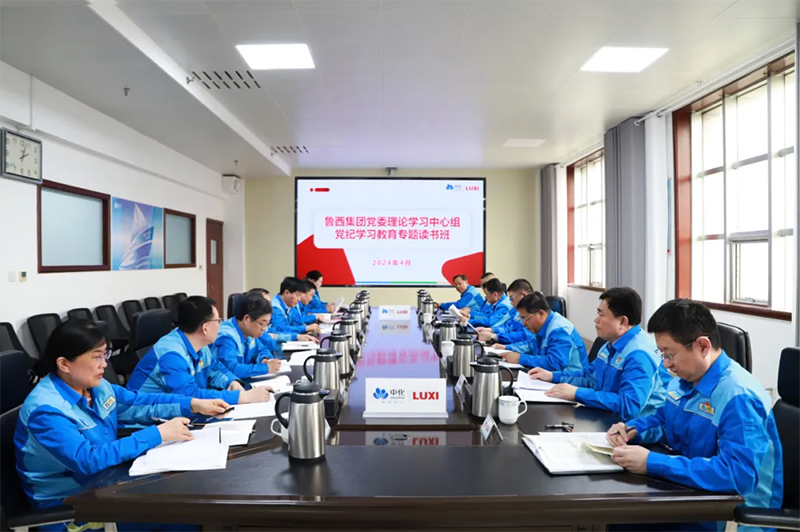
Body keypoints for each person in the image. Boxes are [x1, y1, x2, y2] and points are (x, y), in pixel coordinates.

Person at [15, 320, 227, 532]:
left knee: (184, 497)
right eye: (96, 357)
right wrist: (157, 434)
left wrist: (192, 404)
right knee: (179, 512)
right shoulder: (46, 411)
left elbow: (138, 403)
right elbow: (87, 459)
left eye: (105, 355)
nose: (104, 364)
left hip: (107, 486)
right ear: (64, 364)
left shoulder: (96, 386)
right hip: (72, 510)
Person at [606, 299, 783, 532]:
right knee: (620, 520)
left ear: (702, 346)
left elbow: (737, 475)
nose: (666, 364)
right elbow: (665, 420)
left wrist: (651, 463)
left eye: (670, 354)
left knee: (625, 522)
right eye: (662, 354)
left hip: (732, 517)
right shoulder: (687, 380)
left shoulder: (738, 397)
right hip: (696, 497)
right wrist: (633, 429)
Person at [528, 287, 668, 419]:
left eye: (601, 314)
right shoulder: (610, 344)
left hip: (637, 428)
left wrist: (577, 393)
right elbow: (589, 377)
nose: (596, 320)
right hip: (610, 417)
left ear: (622, 322)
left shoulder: (639, 355)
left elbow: (629, 405)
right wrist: (551, 376)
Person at [127, 296, 271, 404]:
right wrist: (241, 397)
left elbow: (215, 368)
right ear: (205, 328)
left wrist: (231, 382)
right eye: (218, 321)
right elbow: (190, 396)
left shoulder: (198, 343)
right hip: (145, 421)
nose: (220, 325)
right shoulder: (172, 355)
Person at [499, 293, 587, 372]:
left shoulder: (559, 330)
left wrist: (520, 359)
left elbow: (556, 363)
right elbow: (530, 345)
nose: (523, 323)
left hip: (571, 379)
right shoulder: (540, 326)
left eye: (525, 318)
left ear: (541, 314)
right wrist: (507, 347)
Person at [214, 295, 283, 379]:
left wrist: (264, 359)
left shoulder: (249, 331)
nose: (264, 328)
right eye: (262, 324)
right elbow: (231, 369)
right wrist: (266, 368)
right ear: (247, 319)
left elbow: (261, 349)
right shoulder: (227, 338)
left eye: (267, 324)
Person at [478, 278, 535, 353]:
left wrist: (494, 337)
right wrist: (491, 330)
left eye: (512, 298)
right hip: (514, 346)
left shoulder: (533, 312)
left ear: (523, 295)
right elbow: (508, 326)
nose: (511, 302)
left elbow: (524, 336)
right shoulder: (516, 310)